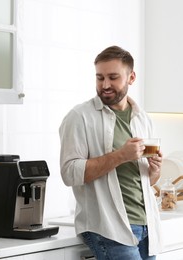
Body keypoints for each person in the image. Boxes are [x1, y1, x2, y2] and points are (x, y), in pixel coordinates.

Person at [59, 45, 163, 259]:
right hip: (109, 228)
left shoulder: (143, 118)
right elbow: (69, 173)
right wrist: (120, 156)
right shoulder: (79, 117)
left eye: (113, 77)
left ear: (131, 77)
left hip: (146, 226)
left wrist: (154, 171)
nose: (105, 85)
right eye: (100, 78)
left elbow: (147, 181)